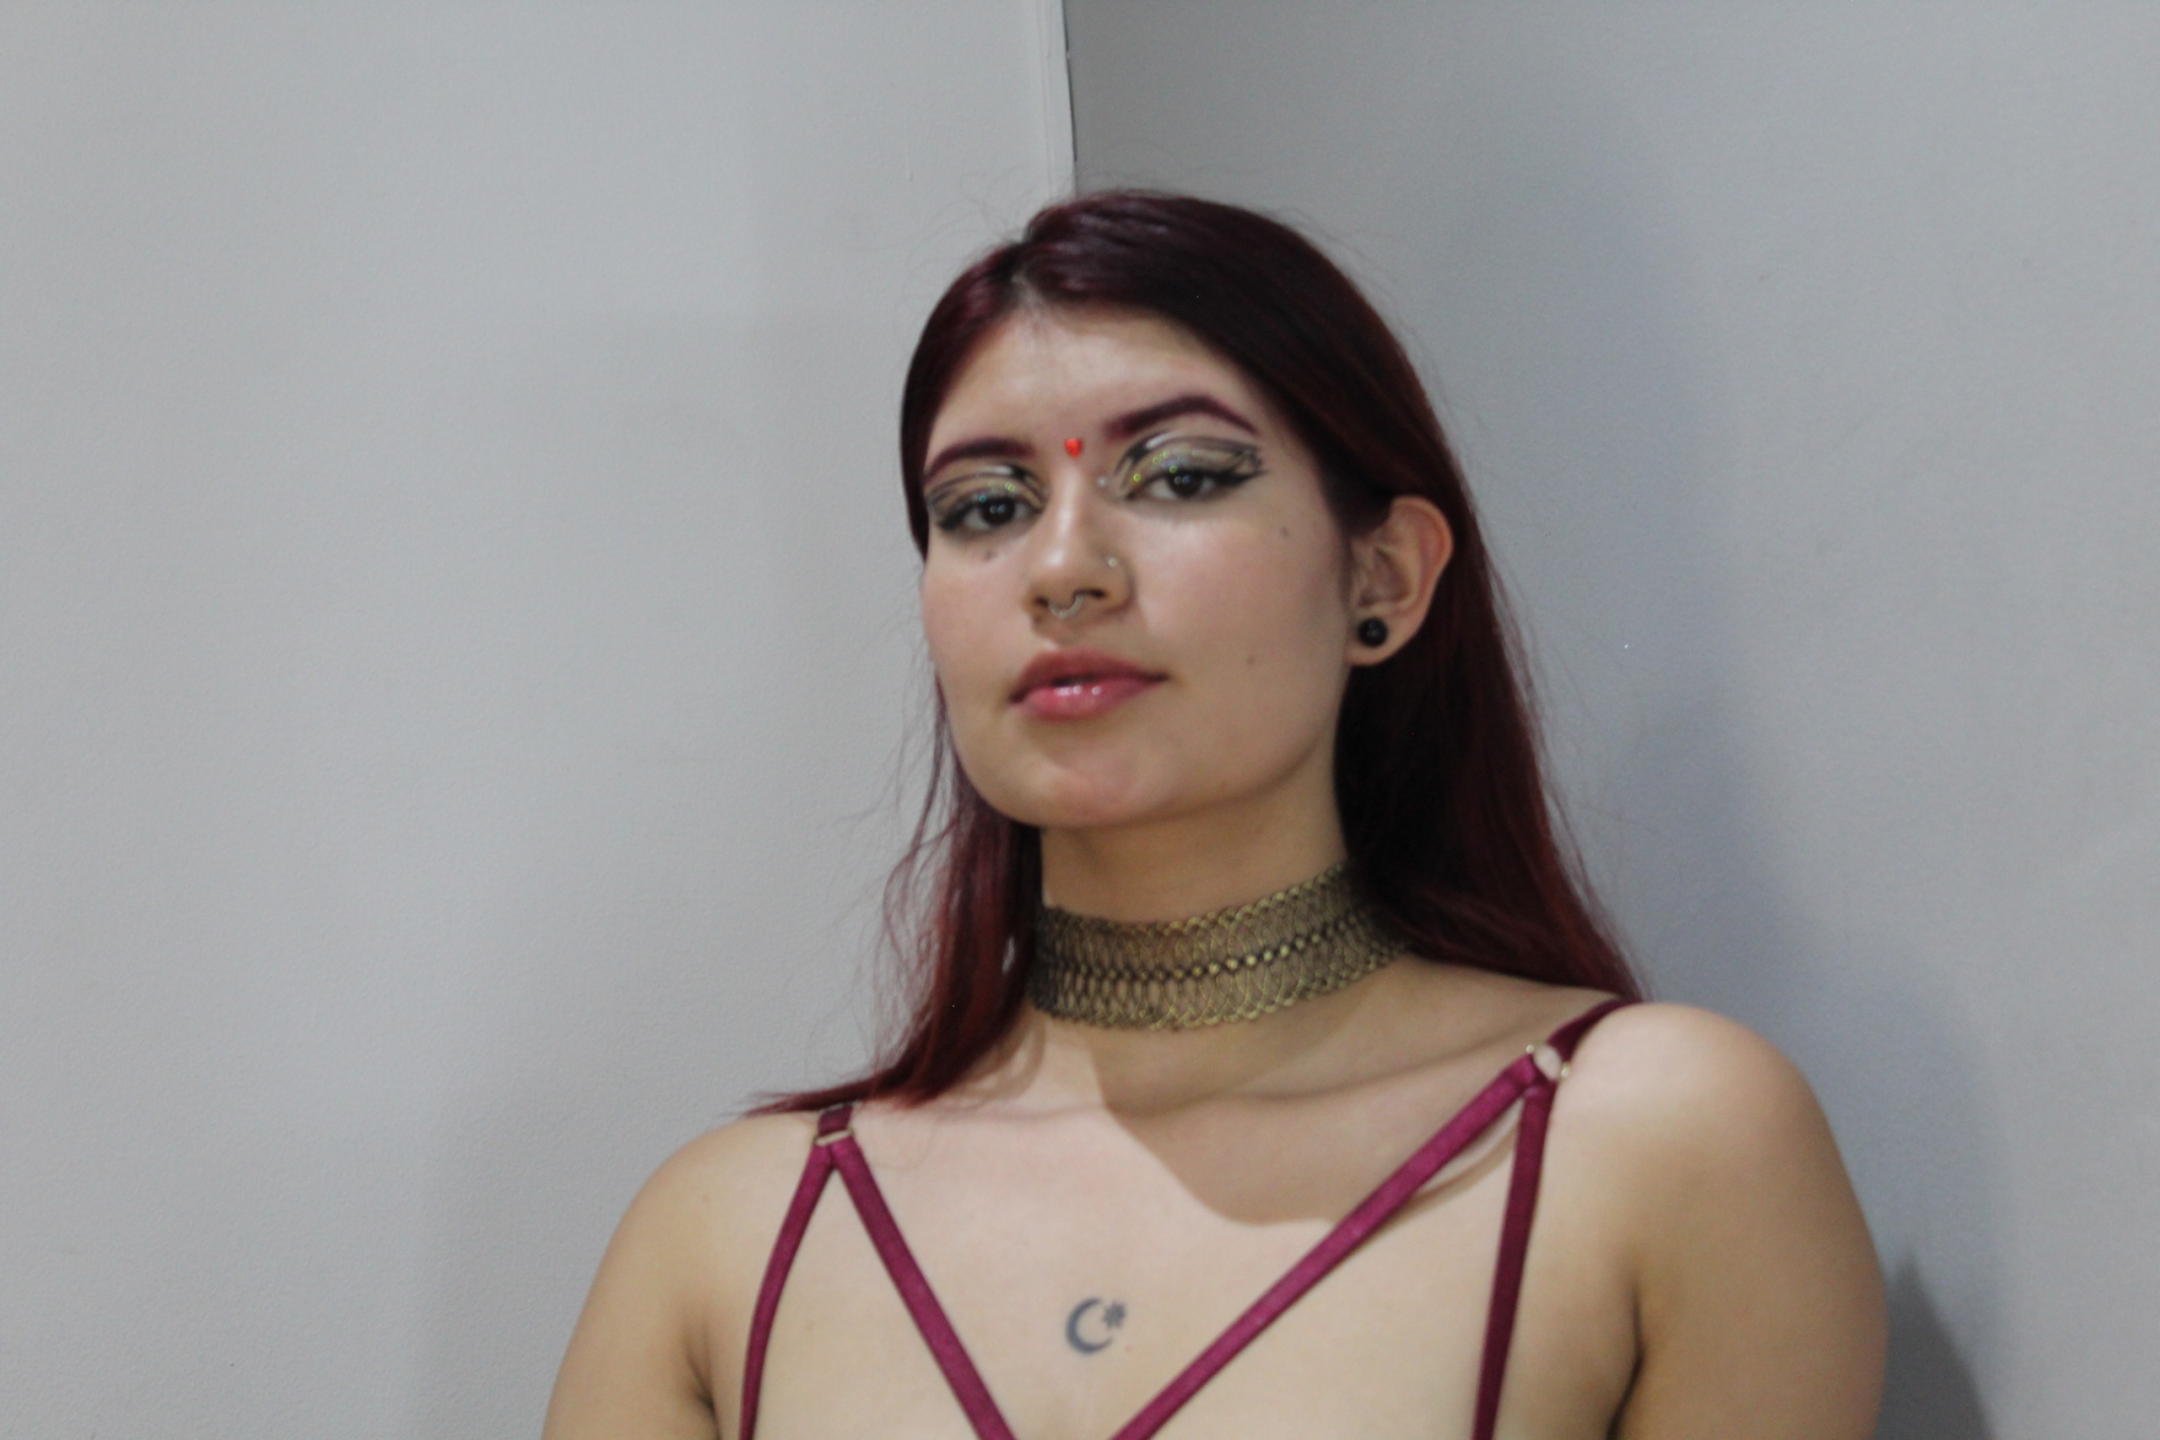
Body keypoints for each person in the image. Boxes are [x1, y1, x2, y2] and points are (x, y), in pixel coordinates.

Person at [542, 191, 1885, 1439]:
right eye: (986, 507)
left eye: (1180, 476)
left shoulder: (1653, 1141)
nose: (1063, 569)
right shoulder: (729, 1239)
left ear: (1386, 577)